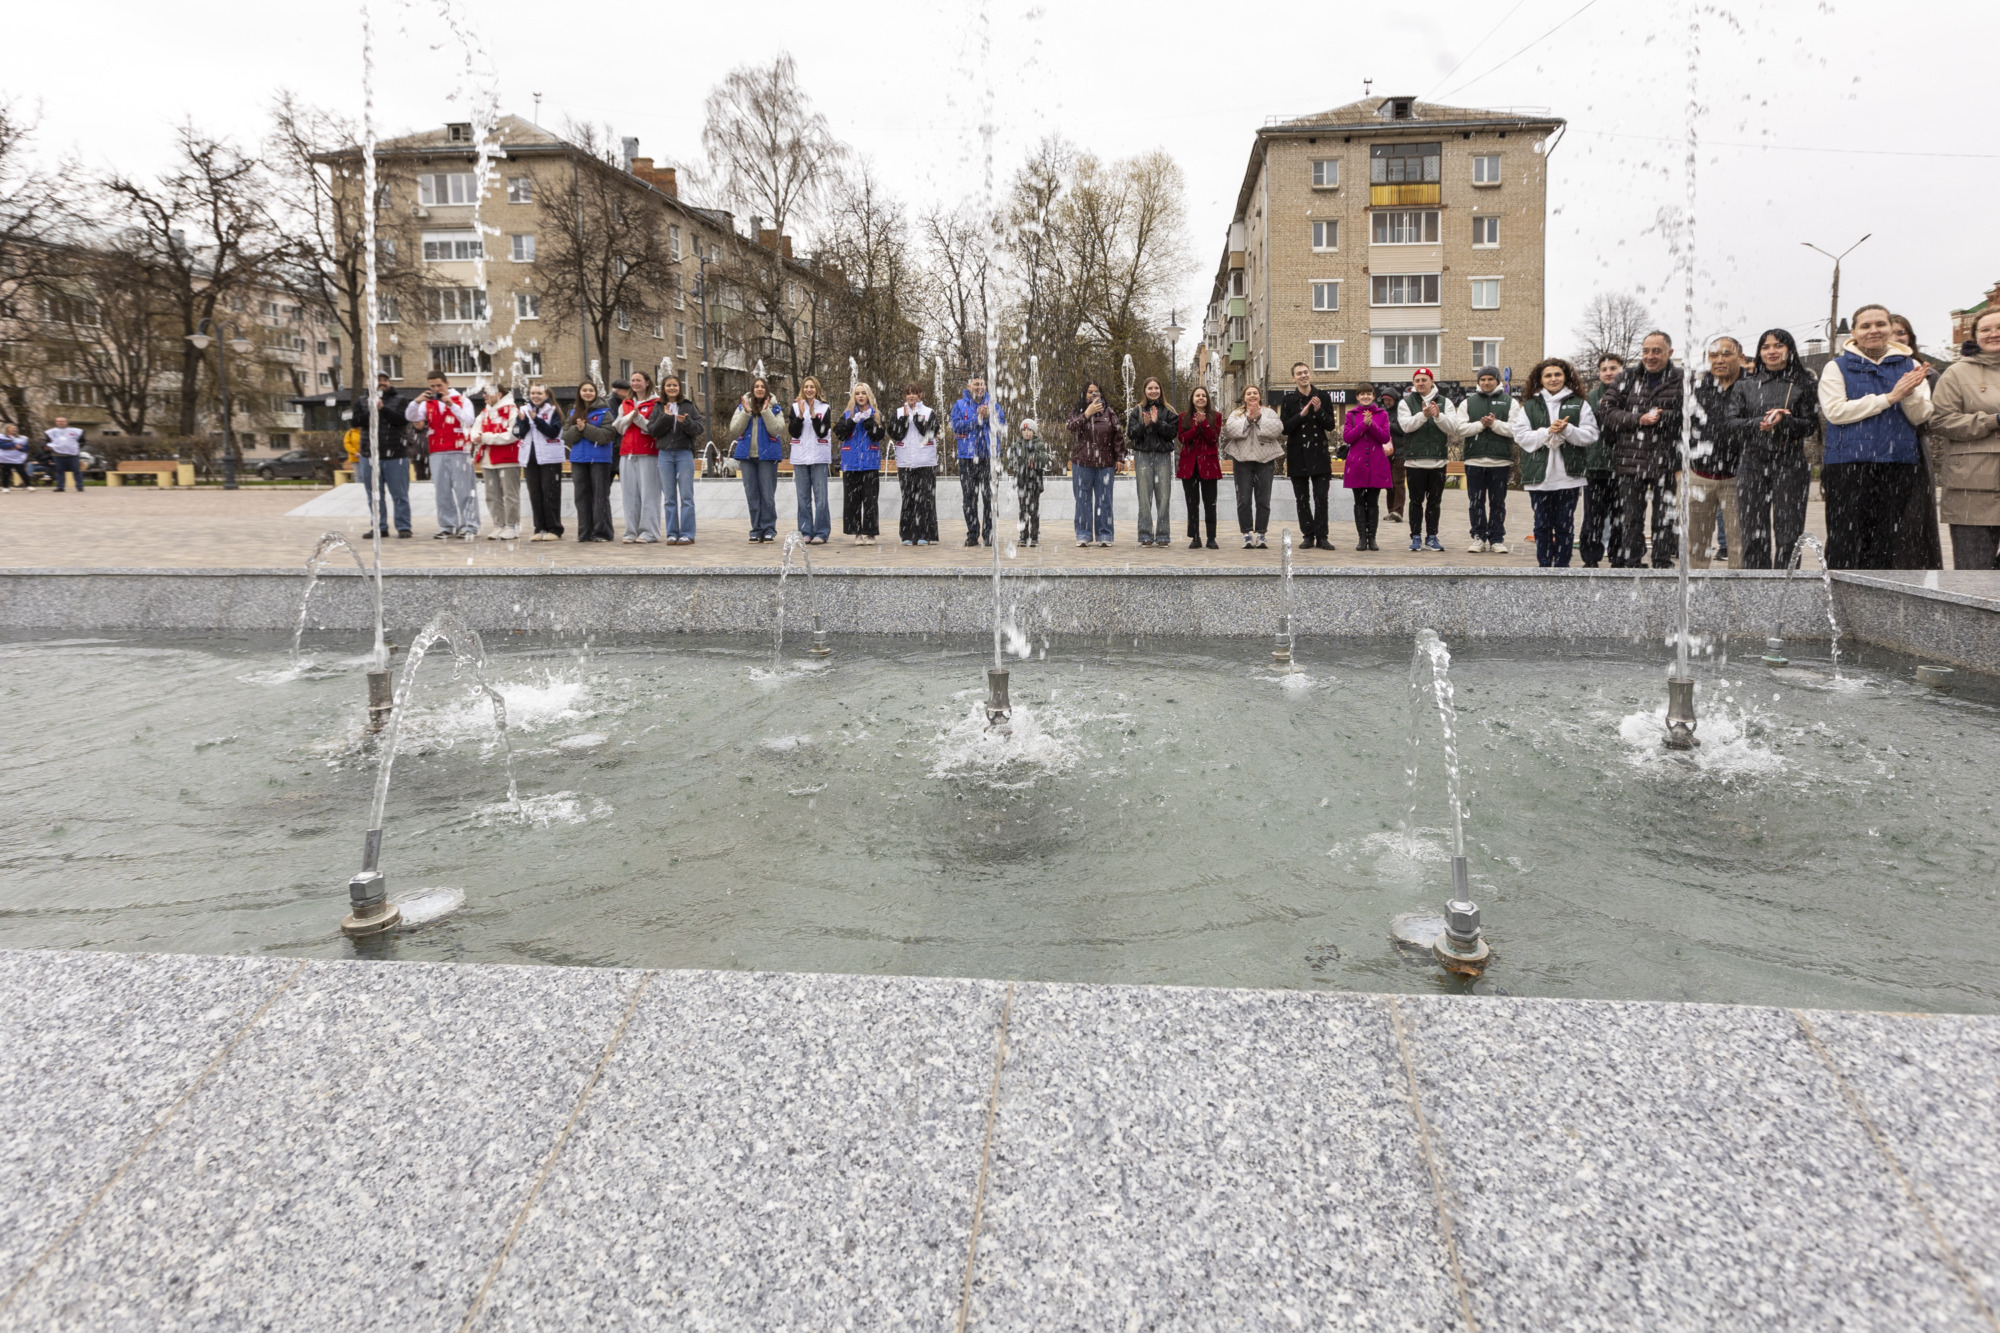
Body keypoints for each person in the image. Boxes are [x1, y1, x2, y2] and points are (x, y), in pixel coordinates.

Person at [1818, 304, 1932, 569]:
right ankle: (1838, 591)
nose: (1873, 330)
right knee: (1844, 539)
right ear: (1854, 332)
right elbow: (1835, 412)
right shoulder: (1836, 367)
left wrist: (1909, 394)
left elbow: (1920, 416)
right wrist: (1889, 398)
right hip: (1847, 464)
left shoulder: (1911, 365)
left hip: (1897, 463)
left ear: (1891, 328)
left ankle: (1875, 592)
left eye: (1880, 324)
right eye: (1865, 326)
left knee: (1885, 540)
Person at [1728, 331, 1817, 570]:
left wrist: (1785, 421)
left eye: (1778, 346)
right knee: (1753, 532)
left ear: (1789, 350)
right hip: (1752, 463)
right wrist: (1759, 422)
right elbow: (1732, 423)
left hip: (1791, 463)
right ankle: (1756, 584)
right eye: (1766, 347)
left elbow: (1810, 426)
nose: (1772, 351)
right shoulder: (1745, 385)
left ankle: (1787, 584)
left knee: (1789, 533)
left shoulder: (1805, 384)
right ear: (1759, 352)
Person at [1597, 332, 1684, 568]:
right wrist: (1638, 419)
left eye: (1657, 351)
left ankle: (1662, 563)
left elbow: (1693, 415)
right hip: (1630, 458)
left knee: (1664, 517)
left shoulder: (1681, 378)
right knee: (1631, 518)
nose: (1650, 356)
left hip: (1666, 460)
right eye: (1646, 351)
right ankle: (1632, 564)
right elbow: (1607, 411)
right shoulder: (1626, 376)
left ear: (1670, 353)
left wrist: (1665, 418)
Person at [1925, 308, 2000, 568]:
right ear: (1975, 336)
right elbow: (1939, 420)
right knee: (1973, 576)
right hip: (1971, 489)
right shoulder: (1957, 373)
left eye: (1999, 328)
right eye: (1986, 329)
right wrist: (1993, 421)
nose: (1994, 334)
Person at [1511, 358, 1600, 568]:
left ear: (1565, 377)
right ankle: (1544, 566)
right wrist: (1547, 432)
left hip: (1569, 476)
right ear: (1540, 379)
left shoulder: (1579, 403)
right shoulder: (1530, 405)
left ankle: (1562, 566)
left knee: (1564, 525)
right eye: (1548, 375)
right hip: (1539, 477)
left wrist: (1568, 430)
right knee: (1541, 525)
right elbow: (1520, 436)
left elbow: (1591, 434)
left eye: (1558, 374)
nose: (1553, 379)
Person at [1887, 314, 1944, 570]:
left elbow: (1932, 420)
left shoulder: (1929, 374)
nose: (1896, 338)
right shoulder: (1866, 371)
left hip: (1914, 455)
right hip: (1873, 454)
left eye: (1901, 333)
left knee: (1914, 527)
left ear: (1910, 337)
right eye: (1890, 332)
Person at [1684, 337, 1746, 569]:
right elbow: (1680, 429)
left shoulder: (1752, 386)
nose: (1719, 360)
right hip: (1699, 476)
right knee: (1695, 544)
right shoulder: (1695, 389)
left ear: (1741, 357)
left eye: (1726, 354)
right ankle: (1695, 588)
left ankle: (1739, 589)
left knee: (1739, 544)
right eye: (1713, 355)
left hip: (1739, 477)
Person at [405, 372, 477, 537]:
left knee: (465, 491)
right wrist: (416, 402)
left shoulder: (462, 400)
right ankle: (447, 526)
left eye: (439, 385)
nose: (436, 389)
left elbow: (468, 421)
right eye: (432, 386)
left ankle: (470, 526)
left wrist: (451, 404)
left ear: (447, 383)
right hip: (437, 451)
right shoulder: (428, 403)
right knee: (442, 492)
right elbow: (410, 416)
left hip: (460, 450)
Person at [1456, 366, 1515, 554]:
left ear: (1498, 381)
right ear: (1478, 381)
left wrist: (1495, 424)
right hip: (1474, 460)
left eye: (1490, 379)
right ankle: (1479, 536)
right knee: (1476, 502)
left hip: (1500, 461)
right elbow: (1460, 429)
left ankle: (1497, 538)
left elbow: (1515, 429)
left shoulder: (1510, 402)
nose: (1486, 382)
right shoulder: (1468, 403)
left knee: (1498, 503)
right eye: (1483, 379)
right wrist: (1481, 425)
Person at [1278, 362, 1336, 551]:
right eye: (1299, 373)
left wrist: (1319, 411)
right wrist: (1300, 415)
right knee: (1302, 500)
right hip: (1298, 455)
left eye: (1305, 372)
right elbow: (1284, 428)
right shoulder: (1288, 400)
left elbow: (1330, 425)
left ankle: (1322, 536)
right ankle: (1308, 535)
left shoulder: (1322, 396)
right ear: (1293, 378)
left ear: (1310, 374)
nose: (1303, 376)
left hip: (1319, 455)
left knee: (1321, 498)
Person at [348, 372, 411, 537]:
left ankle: (403, 527)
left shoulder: (401, 400)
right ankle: (379, 527)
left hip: (396, 455)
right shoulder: (361, 401)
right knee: (374, 495)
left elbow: (402, 420)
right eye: (379, 380)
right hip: (369, 455)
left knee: (400, 494)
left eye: (385, 380)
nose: (382, 383)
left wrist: (383, 409)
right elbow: (355, 422)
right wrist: (372, 410)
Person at [1395, 369, 1451, 552]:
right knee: (1415, 501)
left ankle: (1432, 536)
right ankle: (1416, 536)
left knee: (1434, 502)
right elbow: (1405, 426)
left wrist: (1438, 416)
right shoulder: (1406, 402)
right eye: (1417, 380)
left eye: (1424, 380)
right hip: (1414, 461)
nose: (1420, 383)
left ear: (1432, 381)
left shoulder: (1445, 402)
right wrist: (1423, 415)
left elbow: (1453, 427)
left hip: (1438, 461)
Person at [1222, 385, 1284, 548]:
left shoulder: (1269, 413)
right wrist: (1248, 419)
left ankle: (1262, 534)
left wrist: (1260, 418)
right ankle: (1246, 534)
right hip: (1242, 460)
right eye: (1248, 393)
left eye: (1255, 393)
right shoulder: (1236, 414)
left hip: (1265, 460)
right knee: (1243, 499)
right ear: (1244, 397)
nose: (1252, 395)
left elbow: (1278, 429)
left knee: (1263, 499)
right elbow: (1229, 430)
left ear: (1260, 396)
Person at [1577, 354, 1622, 567]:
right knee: (1593, 516)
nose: (1608, 372)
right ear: (1598, 373)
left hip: (1624, 466)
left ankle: (1619, 557)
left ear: (1621, 371)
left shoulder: (1631, 395)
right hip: (1595, 465)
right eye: (1604, 369)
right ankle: (1590, 558)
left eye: (1613, 368)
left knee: (1621, 516)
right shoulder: (1590, 398)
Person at [648, 375, 704, 544]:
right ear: (663, 388)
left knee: (686, 497)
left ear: (680, 387)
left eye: (675, 385)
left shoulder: (688, 406)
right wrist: (665, 417)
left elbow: (699, 428)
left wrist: (685, 422)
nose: (672, 388)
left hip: (683, 454)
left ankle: (687, 534)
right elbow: (652, 431)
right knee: (669, 498)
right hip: (665, 455)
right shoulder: (658, 406)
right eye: (668, 385)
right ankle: (672, 533)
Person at [949, 375, 1004, 546]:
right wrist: (977, 419)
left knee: (990, 498)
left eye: (982, 384)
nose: (979, 387)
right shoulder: (959, 405)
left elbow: (1002, 426)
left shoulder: (993, 405)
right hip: (967, 458)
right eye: (976, 384)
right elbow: (955, 426)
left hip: (989, 458)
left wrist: (988, 417)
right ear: (969, 386)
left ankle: (989, 535)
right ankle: (972, 534)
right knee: (969, 498)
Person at [1067, 380, 1123, 546]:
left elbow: (1118, 436)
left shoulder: (1109, 412)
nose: (1093, 395)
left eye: (1096, 392)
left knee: (1104, 500)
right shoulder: (1077, 411)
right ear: (1084, 394)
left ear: (1101, 394)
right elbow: (1071, 427)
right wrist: (1086, 414)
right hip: (1082, 462)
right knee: (1082, 499)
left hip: (1105, 462)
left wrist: (1119, 458)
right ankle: (1083, 534)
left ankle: (1104, 535)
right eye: (1089, 392)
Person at [730, 376, 786, 542]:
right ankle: (756, 528)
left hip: (767, 457)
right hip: (747, 457)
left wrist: (766, 411)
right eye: (756, 386)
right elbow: (734, 429)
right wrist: (746, 412)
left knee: (767, 495)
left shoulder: (775, 408)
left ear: (766, 390)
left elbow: (776, 430)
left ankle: (768, 528)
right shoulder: (742, 407)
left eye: (762, 386)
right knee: (752, 495)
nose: (760, 389)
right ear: (752, 390)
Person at [1127, 376, 1180, 547]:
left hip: (1162, 456)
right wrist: (1144, 424)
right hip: (1143, 456)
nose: (1153, 391)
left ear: (1160, 390)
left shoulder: (1169, 411)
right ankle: (1145, 535)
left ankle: (1163, 535)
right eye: (1150, 388)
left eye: (1156, 388)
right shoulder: (1137, 410)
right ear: (1145, 391)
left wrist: (1157, 424)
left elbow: (1172, 433)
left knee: (1163, 498)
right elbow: (1131, 434)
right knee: (1144, 498)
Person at [562, 380, 617, 542]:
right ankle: (585, 532)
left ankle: (602, 532)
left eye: (591, 390)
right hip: (578, 459)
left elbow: (606, 436)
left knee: (600, 496)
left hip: (600, 459)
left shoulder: (605, 412)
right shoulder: (573, 412)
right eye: (584, 390)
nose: (587, 393)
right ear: (579, 393)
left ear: (595, 393)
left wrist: (585, 428)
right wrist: (578, 429)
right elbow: (566, 437)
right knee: (581, 497)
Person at [610, 373, 661, 543]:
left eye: (638, 380)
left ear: (647, 383)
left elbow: (653, 429)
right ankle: (631, 531)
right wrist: (629, 417)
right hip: (627, 453)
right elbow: (619, 427)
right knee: (629, 494)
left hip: (648, 453)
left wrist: (637, 418)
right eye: (633, 380)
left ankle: (649, 532)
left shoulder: (656, 403)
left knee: (649, 494)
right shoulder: (626, 403)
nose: (635, 383)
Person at [1341, 385, 1393, 551]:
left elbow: (1384, 437)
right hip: (1356, 465)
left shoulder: (1382, 414)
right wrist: (1363, 424)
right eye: (1362, 394)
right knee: (1359, 502)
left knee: (1372, 502)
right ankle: (1362, 538)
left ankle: (1372, 538)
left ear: (1373, 396)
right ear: (1357, 397)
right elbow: (1348, 438)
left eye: (1368, 394)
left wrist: (1372, 425)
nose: (1365, 397)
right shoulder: (1351, 415)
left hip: (1376, 464)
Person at [835, 382, 885, 544]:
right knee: (852, 500)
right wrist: (853, 421)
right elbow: (839, 433)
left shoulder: (876, 414)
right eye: (857, 393)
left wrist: (868, 420)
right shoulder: (847, 414)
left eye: (863, 393)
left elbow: (878, 435)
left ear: (868, 395)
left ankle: (870, 533)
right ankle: (856, 532)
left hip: (870, 463)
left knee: (870, 500)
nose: (861, 396)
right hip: (851, 463)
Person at [890, 382, 940, 545]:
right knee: (908, 498)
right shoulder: (899, 412)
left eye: (915, 393)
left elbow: (929, 433)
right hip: (905, 462)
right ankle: (907, 534)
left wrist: (916, 416)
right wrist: (905, 418)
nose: (911, 396)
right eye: (908, 393)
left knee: (925, 499)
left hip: (925, 462)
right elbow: (896, 434)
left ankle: (925, 534)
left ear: (921, 395)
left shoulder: (929, 412)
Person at [515, 384, 566, 541]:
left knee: (550, 493)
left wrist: (536, 419)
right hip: (530, 458)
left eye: (539, 393)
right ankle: (540, 528)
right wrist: (523, 422)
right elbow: (517, 433)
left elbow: (553, 432)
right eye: (532, 393)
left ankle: (554, 528)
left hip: (549, 458)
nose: (535, 396)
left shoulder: (553, 410)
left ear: (547, 395)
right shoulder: (523, 410)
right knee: (535, 494)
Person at [788, 376, 833, 545]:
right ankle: (805, 531)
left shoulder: (825, 408)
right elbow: (794, 432)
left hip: (819, 457)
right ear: (802, 389)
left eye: (812, 387)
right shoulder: (795, 407)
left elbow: (822, 431)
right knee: (803, 498)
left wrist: (813, 414)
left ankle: (822, 531)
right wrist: (800, 415)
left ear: (817, 389)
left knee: (821, 498)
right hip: (800, 458)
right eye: (806, 387)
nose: (809, 390)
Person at [1176, 386, 1222, 549]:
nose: (1201, 398)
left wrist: (1205, 424)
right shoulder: (1183, 416)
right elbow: (1183, 438)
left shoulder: (1216, 416)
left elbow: (1213, 439)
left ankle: (1211, 537)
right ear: (1192, 399)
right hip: (1189, 465)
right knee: (1192, 503)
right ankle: (1195, 537)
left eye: (1203, 395)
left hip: (1209, 464)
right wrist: (1196, 426)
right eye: (1197, 395)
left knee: (1210, 503)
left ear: (1207, 399)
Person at [474, 388, 522, 540]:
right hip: (487, 459)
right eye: (483, 393)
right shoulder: (484, 412)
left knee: (510, 495)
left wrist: (486, 437)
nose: (484, 396)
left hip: (508, 458)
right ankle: (498, 525)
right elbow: (475, 431)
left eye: (487, 393)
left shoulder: (512, 410)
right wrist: (476, 436)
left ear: (499, 394)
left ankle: (511, 526)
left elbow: (513, 434)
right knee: (492, 495)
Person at [1005, 417, 1051, 547]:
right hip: (1022, 482)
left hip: (1035, 482)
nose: (1027, 432)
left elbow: (1044, 461)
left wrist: (1034, 455)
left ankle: (1034, 536)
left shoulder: (1039, 444)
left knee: (1034, 510)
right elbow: (1011, 460)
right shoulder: (1017, 444)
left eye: (1030, 430)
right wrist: (1017, 458)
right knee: (1023, 509)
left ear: (1034, 432)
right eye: (1024, 430)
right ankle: (1023, 535)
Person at [43, 417, 84, 493]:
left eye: (62, 421)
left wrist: (76, 447)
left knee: (76, 471)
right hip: (58, 455)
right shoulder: (51, 432)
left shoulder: (75, 431)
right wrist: (50, 447)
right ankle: (60, 487)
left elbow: (82, 441)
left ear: (66, 422)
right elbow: (47, 442)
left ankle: (79, 486)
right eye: (59, 421)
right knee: (59, 471)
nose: (61, 423)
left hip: (73, 454)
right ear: (56, 422)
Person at [0, 423, 27, 489]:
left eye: (15, 428)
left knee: (22, 472)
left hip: (17, 459)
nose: (14, 429)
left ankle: (29, 485)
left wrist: (20, 448)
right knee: (6, 473)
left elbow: (25, 448)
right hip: (5, 458)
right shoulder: (2, 437)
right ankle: (5, 487)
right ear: (7, 429)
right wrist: (14, 445)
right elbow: (2, 446)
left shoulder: (21, 438)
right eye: (12, 428)